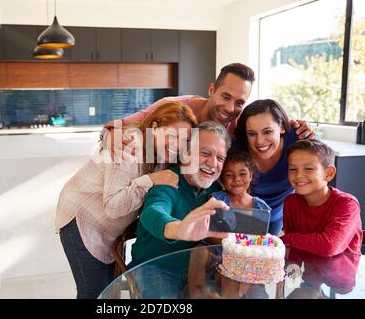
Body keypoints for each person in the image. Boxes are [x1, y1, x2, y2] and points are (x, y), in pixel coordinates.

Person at [55, 101, 197, 299]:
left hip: (108, 228)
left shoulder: (160, 155)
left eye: (184, 140)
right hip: (82, 220)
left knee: (108, 292)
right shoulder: (130, 146)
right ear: (155, 127)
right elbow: (113, 206)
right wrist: (151, 180)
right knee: (93, 292)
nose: (177, 145)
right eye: (172, 136)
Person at [128, 121, 231, 298]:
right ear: (186, 153)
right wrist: (179, 229)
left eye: (220, 158)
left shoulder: (216, 192)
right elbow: (153, 212)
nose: (213, 163)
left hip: (196, 272)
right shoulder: (168, 182)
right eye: (205, 153)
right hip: (154, 268)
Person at [111, 63, 313, 139]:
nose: (230, 108)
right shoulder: (173, 106)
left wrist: (297, 126)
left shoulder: (241, 123)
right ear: (211, 89)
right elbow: (116, 126)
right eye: (225, 96)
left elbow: (271, 127)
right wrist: (112, 136)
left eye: (239, 102)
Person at [233, 99, 315, 236]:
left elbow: (318, 171)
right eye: (252, 134)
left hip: (278, 214)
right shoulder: (238, 149)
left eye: (267, 132)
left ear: (282, 127)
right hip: (245, 214)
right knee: (246, 254)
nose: (259, 141)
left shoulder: (297, 140)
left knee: (269, 253)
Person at [281, 139, 363, 257]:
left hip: (340, 273)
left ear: (329, 173)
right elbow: (293, 250)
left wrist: (285, 239)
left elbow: (329, 246)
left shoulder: (347, 204)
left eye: (309, 169)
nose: (299, 175)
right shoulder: (291, 202)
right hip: (303, 272)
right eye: (293, 169)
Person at [210, 148, 271, 232]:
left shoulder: (261, 207)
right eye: (229, 175)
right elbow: (209, 234)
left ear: (251, 176)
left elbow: (261, 238)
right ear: (221, 179)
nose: (237, 179)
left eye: (242, 174)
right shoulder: (216, 201)